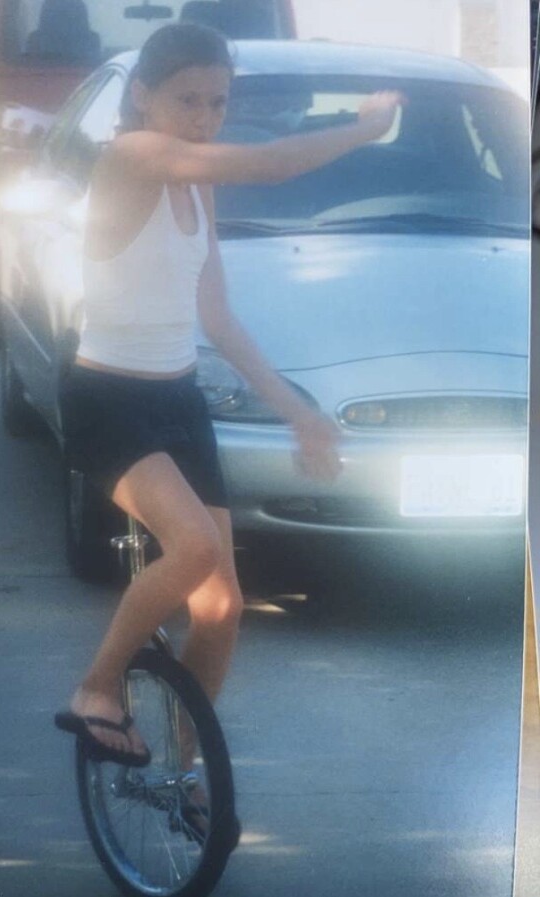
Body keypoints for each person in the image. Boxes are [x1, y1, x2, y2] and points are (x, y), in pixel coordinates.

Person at [57, 24, 402, 767]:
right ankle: (96, 687)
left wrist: (295, 409)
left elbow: (215, 312)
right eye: (187, 99)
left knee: (221, 606)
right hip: (108, 400)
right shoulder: (132, 156)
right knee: (196, 546)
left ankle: (182, 772)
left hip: (177, 399)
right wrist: (365, 126)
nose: (205, 116)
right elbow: (274, 163)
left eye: (218, 102)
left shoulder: (196, 183)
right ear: (142, 95)